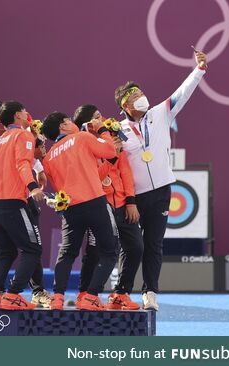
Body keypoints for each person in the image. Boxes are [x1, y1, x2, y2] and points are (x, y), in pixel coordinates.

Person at [113, 50, 207, 310]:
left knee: (154, 244)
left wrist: (199, 69)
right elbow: (112, 161)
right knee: (133, 246)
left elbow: (182, 92)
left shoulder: (160, 113)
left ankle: (150, 293)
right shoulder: (118, 130)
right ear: (125, 106)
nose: (141, 98)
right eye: (134, 97)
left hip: (161, 191)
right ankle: (121, 292)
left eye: (140, 93)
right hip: (133, 196)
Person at [41, 112, 119, 311]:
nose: (72, 123)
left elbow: (63, 186)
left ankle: (57, 297)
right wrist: (102, 129)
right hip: (94, 201)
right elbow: (110, 151)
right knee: (110, 252)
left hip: (69, 208)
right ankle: (91, 296)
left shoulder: (48, 158)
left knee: (67, 254)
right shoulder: (83, 138)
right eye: (68, 120)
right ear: (63, 126)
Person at [73, 104, 143, 310]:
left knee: (136, 247)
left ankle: (121, 293)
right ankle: (85, 293)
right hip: (99, 206)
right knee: (95, 252)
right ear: (86, 124)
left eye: (100, 115)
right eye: (95, 117)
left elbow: (126, 172)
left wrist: (131, 200)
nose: (101, 119)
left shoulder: (113, 138)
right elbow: (95, 178)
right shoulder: (82, 145)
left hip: (122, 204)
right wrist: (112, 155)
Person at [0, 102, 52, 308]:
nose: (27, 113)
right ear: (17, 116)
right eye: (23, 110)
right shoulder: (23, 135)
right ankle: (13, 294)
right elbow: (23, 163)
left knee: (6, 250)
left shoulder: (3, 138)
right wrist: (33, 187)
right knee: (33, 249)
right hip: (12, 201)